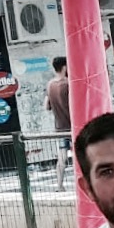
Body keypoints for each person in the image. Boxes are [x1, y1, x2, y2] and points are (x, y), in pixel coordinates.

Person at [47, 56, 72, 191]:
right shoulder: (68, 84)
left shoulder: (50, 85)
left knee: (62, 158)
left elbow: (47, 106)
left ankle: (59, 185)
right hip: (73, 127)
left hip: (59, 128)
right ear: (64, 67)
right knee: (79, 155)